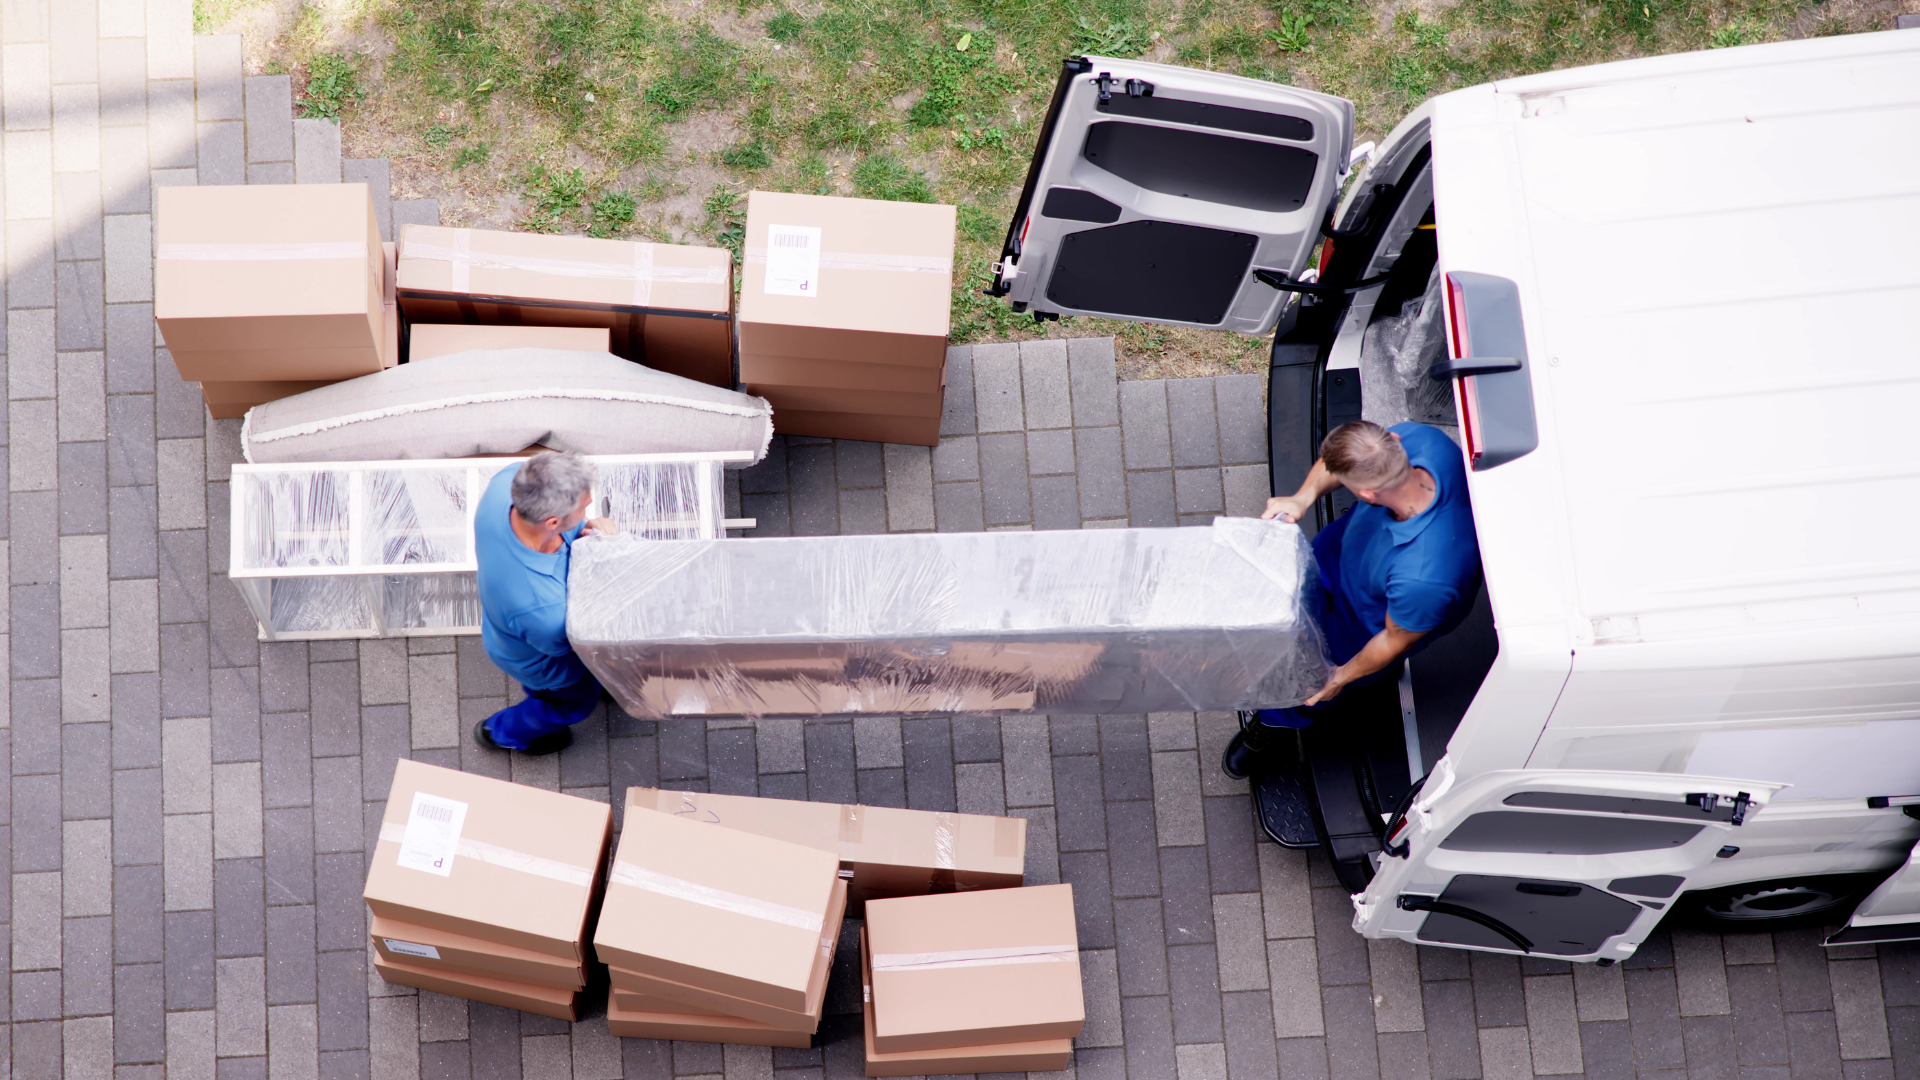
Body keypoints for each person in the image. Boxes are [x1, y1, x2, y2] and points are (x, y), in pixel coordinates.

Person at [1221, 420, 1482, 779]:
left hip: (1364, 623)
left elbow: (1393, 639)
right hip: (1341, 555)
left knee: (1307, 681)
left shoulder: (1426, 576)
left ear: (1367, 495)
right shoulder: (1421, 440)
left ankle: (1277, 723)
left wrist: (1339, 677)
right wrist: (1304, 497)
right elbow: (1337, 461)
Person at [471, 451, 619, 755]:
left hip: (506, 628)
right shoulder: (544, 611)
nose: (589, 507)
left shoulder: (510, 482)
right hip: (545, 663)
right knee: (569, 704)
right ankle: (503, 733)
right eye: (583, 507)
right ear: (552, 521)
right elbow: (575, 643)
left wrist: (586, 531)